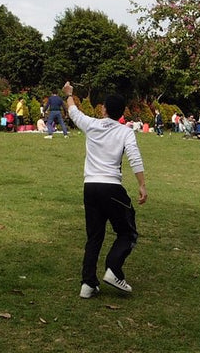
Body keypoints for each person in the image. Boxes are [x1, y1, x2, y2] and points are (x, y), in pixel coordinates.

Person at [62, 81, 146, 298]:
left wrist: (69, 93)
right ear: (121, 113)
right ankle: (113, 269)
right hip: (112, 188)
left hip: (90, 187)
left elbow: (72, 111)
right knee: (127, 232)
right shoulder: (125, 132)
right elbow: (134, 158)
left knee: (94, 236)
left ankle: (88, 284)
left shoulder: (91, 124)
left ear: (104, 109)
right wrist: (141, 185)